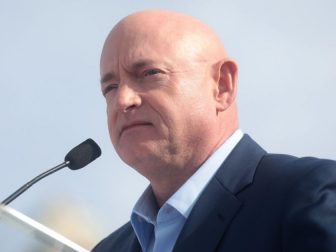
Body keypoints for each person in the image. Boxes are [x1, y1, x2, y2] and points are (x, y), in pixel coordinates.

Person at [93, 9, 336, 252]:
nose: (123, 100)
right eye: (111, 88)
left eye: (150, 73)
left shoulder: (309, 198)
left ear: (222, 86)